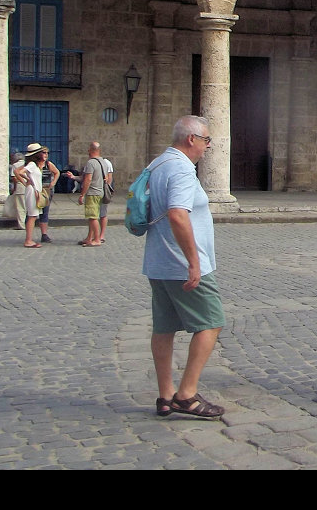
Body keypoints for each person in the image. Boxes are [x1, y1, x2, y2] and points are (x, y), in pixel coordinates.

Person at [142, 115, 226, 420]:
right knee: (211, 322)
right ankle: (186, 394)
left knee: (164, 327)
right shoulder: (181, 168)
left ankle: (165, 395)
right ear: (191, 139)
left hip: (159, 261)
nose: (207, 147)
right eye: (206, 140)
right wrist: (193, 262)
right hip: (182, 264)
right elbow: (178, 215)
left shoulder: (159, 163)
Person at [77, 141, 113, 246]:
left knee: (93, 217)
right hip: (101, 191)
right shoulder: (103, 162)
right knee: (93, 216)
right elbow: (107, 178)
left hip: (93, 192)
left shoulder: (91, 163)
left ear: (91, 150)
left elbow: (88, 179)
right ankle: (89, 238)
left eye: (89, 149)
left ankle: (96, 239)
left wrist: (82, 194)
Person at [18, 144, 46, 248]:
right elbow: (20, 172)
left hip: (34, 190)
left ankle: (29, 239)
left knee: (33, 215)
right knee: (32, 216)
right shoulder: (32, 164)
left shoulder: (34, 164)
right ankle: (28, 240)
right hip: (33, 191)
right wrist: (27, 180)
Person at [35, 147, 61, 244]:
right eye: (44, 153)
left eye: (47, 153)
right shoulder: (34, 165)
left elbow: (57, 172)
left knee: (44, 211)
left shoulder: (48, 164)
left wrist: (53, 182)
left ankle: (44, 234)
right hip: (36, 190)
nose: (46, 155)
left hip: (46, 190)